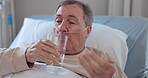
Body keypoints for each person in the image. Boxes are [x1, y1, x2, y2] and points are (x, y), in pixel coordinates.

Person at [0, 0, 127, 78]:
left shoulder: (100, 61)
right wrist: (25, 55)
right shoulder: (34, 49)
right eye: (58, 21)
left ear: (87, 31)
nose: (61, 27)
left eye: (71, 22)